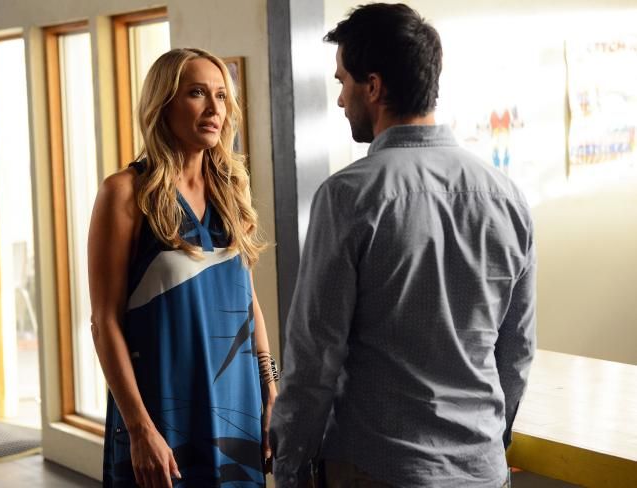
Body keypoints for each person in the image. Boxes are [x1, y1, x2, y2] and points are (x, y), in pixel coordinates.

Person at [269, 4, 536, 488]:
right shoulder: (506, 196)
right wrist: (490, 443)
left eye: (342, 82)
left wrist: (289, 468)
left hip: (380, 469)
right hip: (482, 470)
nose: (340, 99)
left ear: (373, 87)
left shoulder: (348, 196)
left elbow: (314, 359)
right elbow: (516, 350)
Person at [88, 48, 277, 488]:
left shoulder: (231, 189)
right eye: (197, 93)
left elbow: (247, 301)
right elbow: (104, 322)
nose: (214, 109)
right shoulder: (126, 193)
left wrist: (270, 390)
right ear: (164, 104)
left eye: (221, 96)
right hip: (161, 413)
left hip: (237, 409)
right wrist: (140, 429)